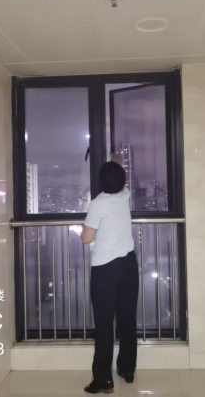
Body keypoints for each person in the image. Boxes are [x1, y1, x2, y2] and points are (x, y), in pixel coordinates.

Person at [81, 161, 139, 394]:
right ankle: (127, 369)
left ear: (101, 181)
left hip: (105, 269)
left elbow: (86, 238)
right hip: (128, 266)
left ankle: (103, 379)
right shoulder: (125, 195)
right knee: (127, 318)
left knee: (104, 323)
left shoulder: (98, 204)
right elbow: (119, 179)